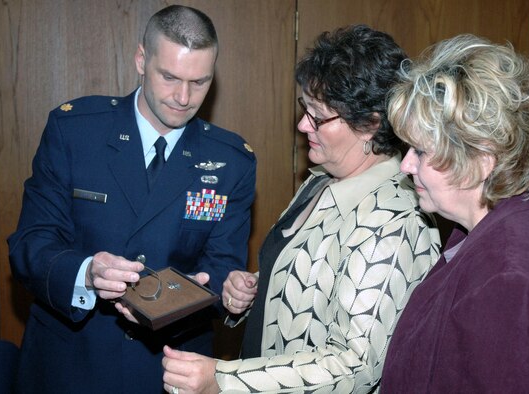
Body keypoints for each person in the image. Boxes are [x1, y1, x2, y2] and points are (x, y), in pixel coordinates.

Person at [161, 25, 441, 394]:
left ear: (370, 124)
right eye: (304, 108)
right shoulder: (321, 180)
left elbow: (355, 366)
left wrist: (223, 380)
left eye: (318, 116)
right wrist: (250, 293)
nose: (302, 124)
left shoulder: (394, 221)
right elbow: (310, 287)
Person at [7, 5, 256, 393]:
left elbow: (221, 266)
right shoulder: (75, 132)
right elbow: (30, 245)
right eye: (170, 77)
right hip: (70, 365)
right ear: (142, 60)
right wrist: (86, 272)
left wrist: (229, 291)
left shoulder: (231, 160)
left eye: (199, 82)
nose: (183, 97)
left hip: (166, 370)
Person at [380, 34, 529, 392]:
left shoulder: (509, 279)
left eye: (420, 151)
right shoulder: (501, 225)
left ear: (481, 158)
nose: (406, 165)